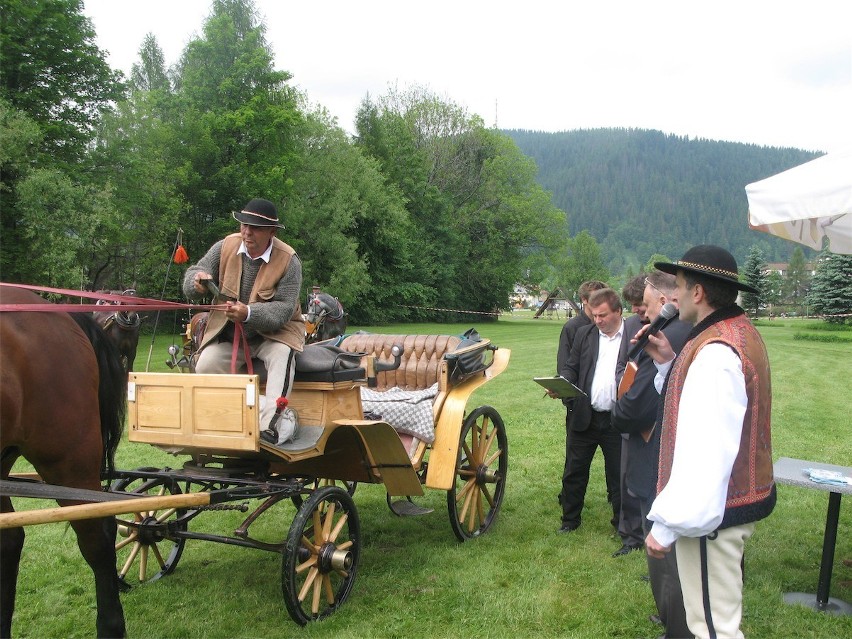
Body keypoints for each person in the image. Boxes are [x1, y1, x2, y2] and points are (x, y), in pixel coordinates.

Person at [644, 245, 775, 639]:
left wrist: (667, 526)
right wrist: (668, 363)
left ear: (698, 293)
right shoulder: (733, 332)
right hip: (727, 505)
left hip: (714, 516)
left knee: (712, 627)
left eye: (679, 287)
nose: (674, 297)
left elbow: (707, 452)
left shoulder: (717, 351)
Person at [183, 198, 306, 444]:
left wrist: (248, 313)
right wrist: (196, 281)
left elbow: (282, 310)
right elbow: (192, 274)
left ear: (272, 232)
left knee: (283, 356)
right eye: (243, 225)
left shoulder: (289, 260)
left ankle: (270, 427)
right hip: (231, 336)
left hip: (277, 335)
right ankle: (226, 422)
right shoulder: (225, 246)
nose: (247, 232)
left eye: (256, 228)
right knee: (206, 364)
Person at [612, 270, 691, 638]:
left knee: (665, 550)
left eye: (647, 303)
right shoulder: (683, 333)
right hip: (673, 448)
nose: (642, 313)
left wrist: (617, 413)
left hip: (658, 448)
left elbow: (641, 401)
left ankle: (675, 624)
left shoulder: (667, 333)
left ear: (664, 300)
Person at [556, 287, 625, 535]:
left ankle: (621, 525)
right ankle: (570, 520)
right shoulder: (585, 335)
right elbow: (571, 367)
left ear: (619, 310)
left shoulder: (632, 336)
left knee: (618, 475)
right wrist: (562, 382)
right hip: (585, 416)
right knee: (574, 471)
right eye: (595, 315)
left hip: (617, 420)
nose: (598, 321)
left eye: (603, 315)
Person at [554, 280, 607, 522]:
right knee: (575, 463)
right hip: (580, 408)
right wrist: (570, 400)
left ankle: (615, 499)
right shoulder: (573, 328)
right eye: (594, 300)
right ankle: (568, 500)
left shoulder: (611, 328)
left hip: (606, 410)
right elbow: (567, 365)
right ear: (584, 301)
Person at [612, 274, 649, 557]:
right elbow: (623, 363)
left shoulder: (677, 325)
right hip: (631, 411)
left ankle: (653, 536)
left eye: (640, 304)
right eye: (634, 305)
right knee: (626, 477)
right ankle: (630, 536)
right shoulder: (631, 325)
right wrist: (623, 392)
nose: (637, 310)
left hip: (655, 415)